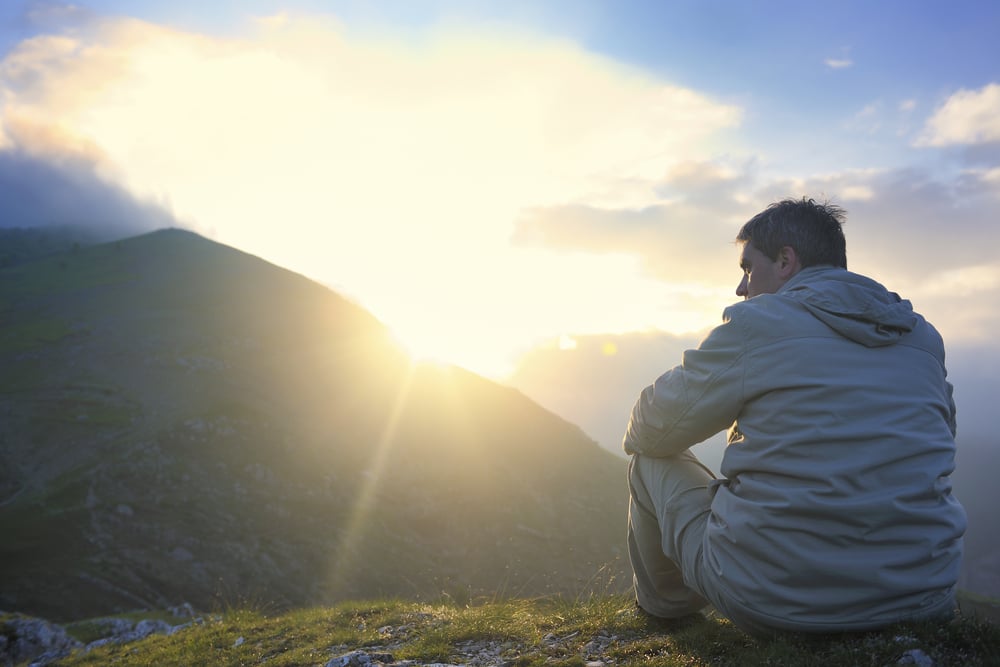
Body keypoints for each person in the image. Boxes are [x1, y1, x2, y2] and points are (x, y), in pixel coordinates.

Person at [623, 197, 966, 636]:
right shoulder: (921, 337)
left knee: (648, 460)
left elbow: (652, 428)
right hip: (924, 597)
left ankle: (666, 615)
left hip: (780, 603)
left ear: (786, 260)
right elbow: (942, 438)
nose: (740, 288)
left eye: (748, 268)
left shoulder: (758, 325)